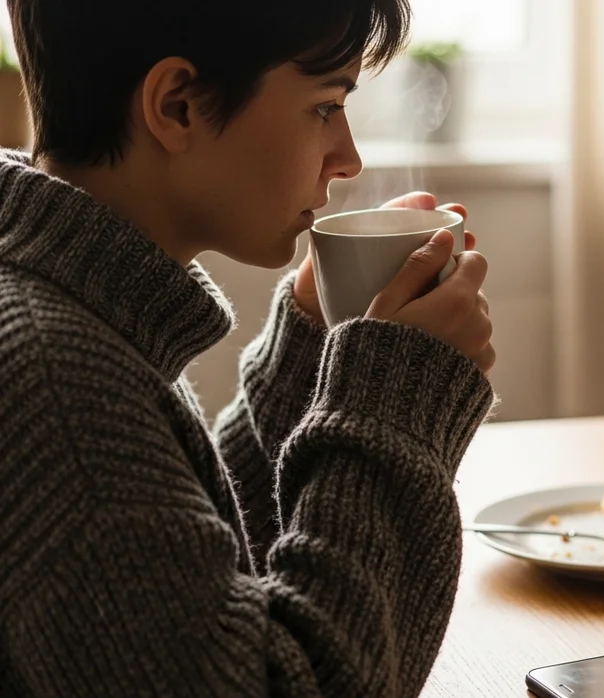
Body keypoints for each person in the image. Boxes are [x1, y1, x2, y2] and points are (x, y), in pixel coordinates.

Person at [0, 1, 497, 695]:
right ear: (177, 106)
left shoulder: (62, 316)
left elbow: (180, 575)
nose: (348, 159)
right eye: (325, 107)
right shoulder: (55, 384)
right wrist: (398, 403)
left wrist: (305, 355)